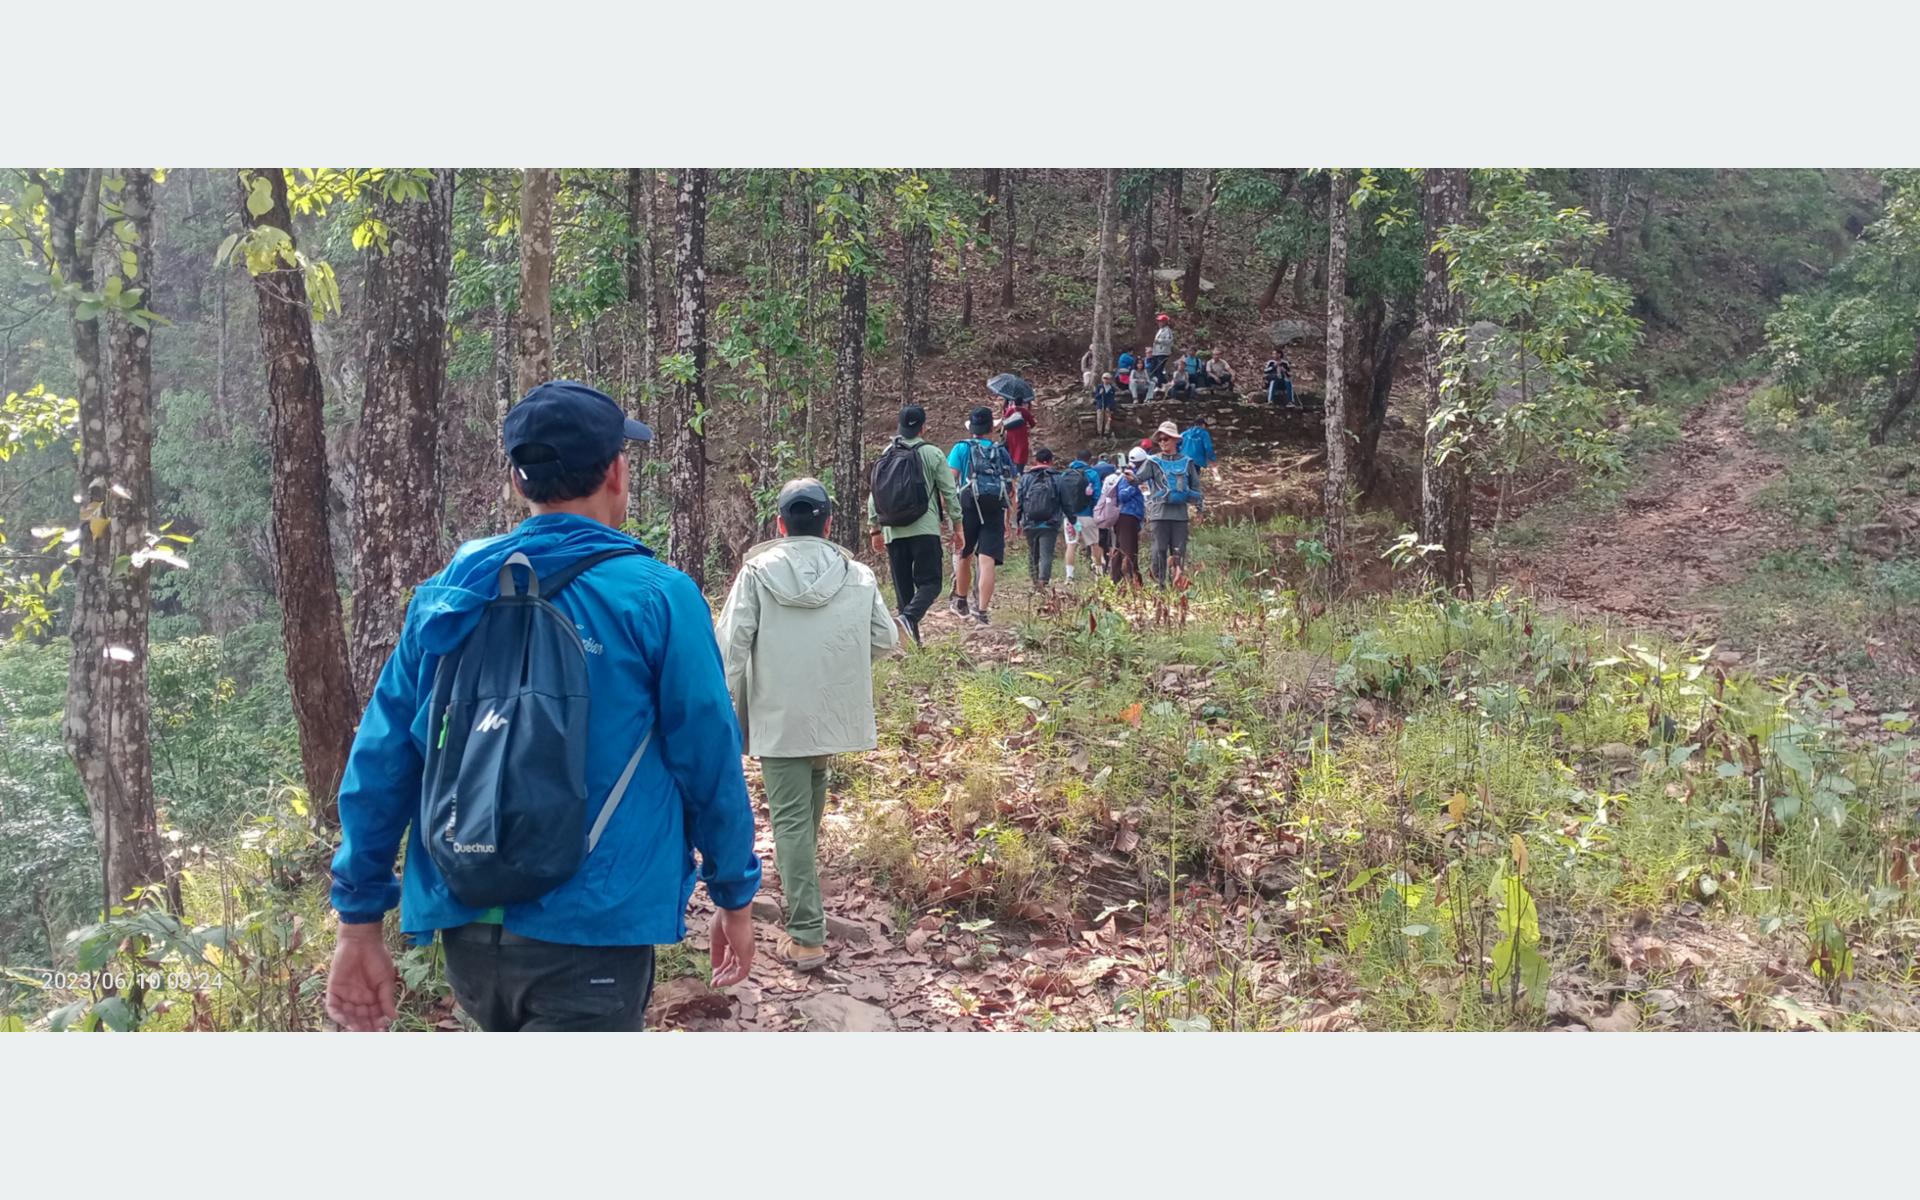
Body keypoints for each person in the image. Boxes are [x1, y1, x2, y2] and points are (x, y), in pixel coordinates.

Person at [324, 380, 761, 1033]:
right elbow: (709, 754)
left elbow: (383, 757)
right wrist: (734, 892)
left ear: (517, 480)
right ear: (616, 471)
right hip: (595, 924)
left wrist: (357, 925)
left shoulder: (449, 595)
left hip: (466, 921)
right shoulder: (657, 597)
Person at [717, 479, 898, 972]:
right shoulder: (857, 574)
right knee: (808, 805)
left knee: (792, 820)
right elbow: (885, 638)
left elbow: (730, 648)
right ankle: (802, 895)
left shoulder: (757, 571)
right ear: (828, 524)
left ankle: (806, 935)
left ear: (779, 525)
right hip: (831, 711)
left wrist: (722, 711)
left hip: (779, 713)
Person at [867, 404, 962, 646]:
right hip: (924, 528)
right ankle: (908, 619)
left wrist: (875, 529)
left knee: (904, 591)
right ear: (923, 427)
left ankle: (911, 644)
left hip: (892, 532)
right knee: (931, 583)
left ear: (899, 426)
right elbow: (949, 492)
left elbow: (874, 493)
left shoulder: (888, 452)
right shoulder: (932, 453)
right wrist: (957, 526)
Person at [948, 406, 1018, 625]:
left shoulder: (961, 449)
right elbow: (1012, 488)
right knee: (986, 559)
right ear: (992, 428)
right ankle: (983, 611)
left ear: (972, 429)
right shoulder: (1002, 452)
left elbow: (950, 481)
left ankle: (961, 601)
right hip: (994, 508)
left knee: (964, 554)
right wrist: (1009, 519)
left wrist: (950, 514)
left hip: (967, 506)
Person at [1134, 419, 1205, 587]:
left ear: (1175, 439)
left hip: (1180, 515)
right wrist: (1130, 479)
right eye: (1160, 439)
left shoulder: (1187, 462)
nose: (1163, 442)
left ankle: (1178, 585)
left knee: (1179, 551)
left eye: (1166, 438)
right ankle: (1160, 586)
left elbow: (1196, 487)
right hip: (1159, 514)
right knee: (1158, 550)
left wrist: (1200, 509)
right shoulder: (1152, 462)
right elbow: (1138, 479)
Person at [1018, 447, 1066, 590]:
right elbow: (1064, 500)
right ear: (1051, 461)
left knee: (1033, 553)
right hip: (1050, 523)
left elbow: (1019, 500)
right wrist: (1069, 518)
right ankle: (1043, 583)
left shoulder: (1026, 478)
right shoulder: (1058, 477)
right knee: (1046, 554)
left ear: (1035, 461)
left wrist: (1019, 521)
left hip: (1029, 522)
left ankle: (1034, 581)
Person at [1107, 447, 1148, 589]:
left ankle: (1116, 580)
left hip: (1131, 517)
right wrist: (1134, 485)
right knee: (1129, 550)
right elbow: (1122, 495)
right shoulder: (1129, 475)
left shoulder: (1136, 474)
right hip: (1127, 516)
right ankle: (1133, 581)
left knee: (1120, 548)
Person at [1060, 449, 1103, 579]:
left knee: (1071, 545)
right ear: (1090, 460)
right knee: (1094, 544)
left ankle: (1069, 576)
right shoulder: (1092, 474)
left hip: (1070, 517)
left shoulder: (1065, 474)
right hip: (1087, 515)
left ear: (1075, 457)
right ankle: (1099, 575)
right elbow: (1097, 495)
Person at [1000, 392, 1035, 470]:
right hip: (1022, 435)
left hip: (1011, 435)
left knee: (1011, 449)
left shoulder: (1010, 410)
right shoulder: (1025, 412)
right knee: (1021, 452)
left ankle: (1010, 468)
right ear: (1022, 403)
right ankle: (1020, 470)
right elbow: (1032, 423)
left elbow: (1005, 420)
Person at [1180, 415, 1217, 480]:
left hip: (1183, 459)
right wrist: (1212, 459)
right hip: (1196, 461)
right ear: (1203, 425)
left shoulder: (1185, 433)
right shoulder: (1204, 434)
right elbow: (1208, 447)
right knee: (1194, 480)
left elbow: (1176, 442)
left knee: (1184, 479)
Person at [1148, 314, 1175, 387]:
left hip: (1163, 353)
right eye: (1159, 321)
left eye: (1161, 321)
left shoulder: (1168, 331)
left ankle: (1160, 385)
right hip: (1156, 353)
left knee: (1159, 369)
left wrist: (1159, 341)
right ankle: (1162, 383)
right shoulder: (1160, 330)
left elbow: (1170, 341)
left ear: (1165, 322)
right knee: (1153, 369)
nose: (1159, 323)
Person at [1092, 372, 1117, 437]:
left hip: (1108, 406)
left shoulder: (1112, 389)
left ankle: (1106, 432)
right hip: (1100, 405)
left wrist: (1109, 406)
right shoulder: (1099, 387)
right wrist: (1100, 393)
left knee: (1108, 419)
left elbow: (1112, 398)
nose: (1106, 380)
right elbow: (1096, 397)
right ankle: (1099, 432)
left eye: (1107, 378)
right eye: (1104, 378)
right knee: (1100, 418)